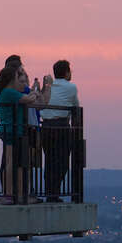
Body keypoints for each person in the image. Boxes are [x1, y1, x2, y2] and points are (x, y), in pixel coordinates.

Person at [0, 66, 50, 205]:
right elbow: (29, 99)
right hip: (12, 131)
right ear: (12, 79)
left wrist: (32, 91)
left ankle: (17, 194)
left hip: (14, 131)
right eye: (20, 79)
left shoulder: (7, 92)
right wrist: (35, 91)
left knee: (16, 164)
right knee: (11, 163)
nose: (23, 83)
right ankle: (10, 194)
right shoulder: (9, 92)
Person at [40, 60, 80, 202]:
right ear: (67, 72)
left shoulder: (47, 86)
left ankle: (50, 193)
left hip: (46, 127)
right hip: (61, 126)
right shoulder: (71, 87)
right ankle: (54, 193)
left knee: (50, 161)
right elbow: (76, 106)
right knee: (62, 162)